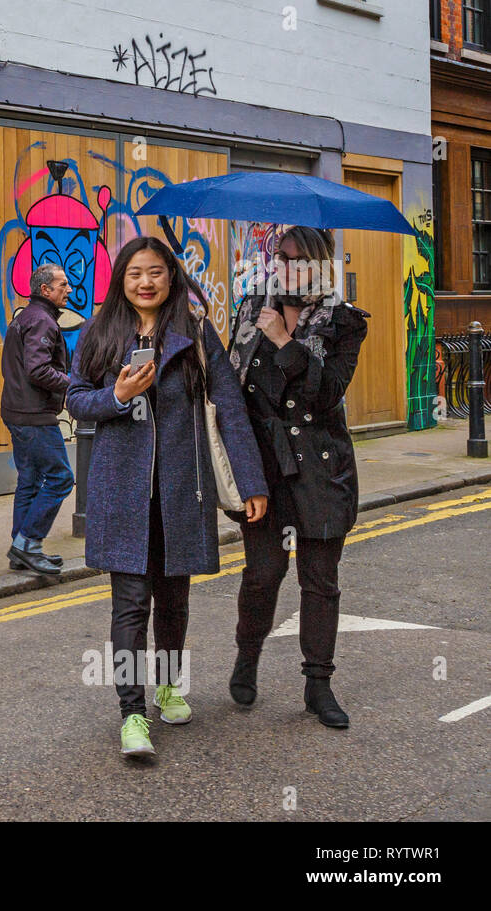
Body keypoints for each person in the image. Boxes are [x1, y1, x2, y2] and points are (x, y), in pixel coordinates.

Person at [66, 236, 268, 758]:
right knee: (130, 605)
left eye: (155, 272)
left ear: (170, 278)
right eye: (135, 273)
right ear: (122, 280)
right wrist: (119, 395)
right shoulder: (99, 332)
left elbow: (229, 406)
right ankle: (132, 713)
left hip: (182, 490)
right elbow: (76, 400)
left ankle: (169, 683)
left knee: (174, 601)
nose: (146, 282)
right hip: (122, 494)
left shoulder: (195, 333)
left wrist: (252, 482)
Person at [226, 226, 367, 729]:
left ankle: (318, 685)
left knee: (320, 581)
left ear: (322, 265)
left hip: (322, 471)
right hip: (265, 471)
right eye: (282, 258)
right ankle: (247, 655)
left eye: (301, 259)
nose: (289, 267)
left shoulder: (344, 322)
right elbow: (231, 390)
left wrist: (285, 342)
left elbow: (326, 394)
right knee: (263, 574)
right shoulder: (248, 310)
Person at [0, 264, 76, 575]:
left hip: (17, 411)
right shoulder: (43, 321)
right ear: (46, 290)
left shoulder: (26, 317)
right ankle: (29, 543)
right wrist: (73, 384)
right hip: (33, 415)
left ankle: (22, 550)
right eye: (63, 285)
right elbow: (38, 370)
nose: (68, 290)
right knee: (61, 478)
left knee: (29, 480)